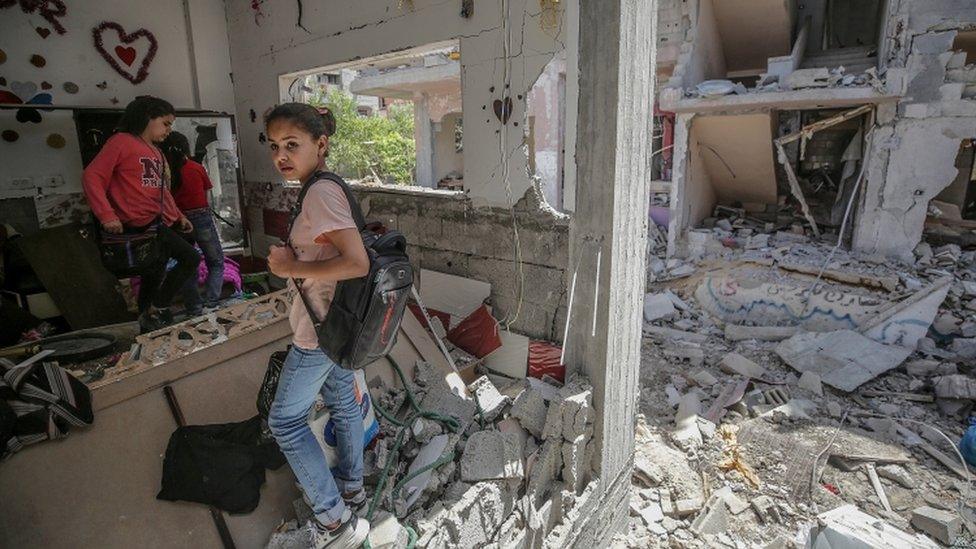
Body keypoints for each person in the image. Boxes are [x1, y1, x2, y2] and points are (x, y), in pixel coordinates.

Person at [264, 103, 371, 548]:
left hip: (319, 331)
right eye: (274, 147)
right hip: (339, 325)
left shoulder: (319, 193)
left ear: (320, 145)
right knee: (343, 404)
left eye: (293, 144)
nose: (281, 156)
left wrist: (290, 265)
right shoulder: (325, 186)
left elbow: (357, 263)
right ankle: (353, 491)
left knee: (285, 422)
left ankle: (333, 520)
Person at [82, 96, 198, 333]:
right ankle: (159, 307)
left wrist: (177, 216)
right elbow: (92, 176)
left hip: (156, 224)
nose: (169, 130)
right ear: (148, 117)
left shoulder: (156, 152)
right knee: (190, 258)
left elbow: (162, 191)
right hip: (134, 225)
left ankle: (147, 322)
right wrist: (106, 215)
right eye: (165, 123)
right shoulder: (121, 142)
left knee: (153, 273)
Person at [162, 131, 225, 317]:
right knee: (216, 262)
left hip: (178, 222)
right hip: (201, 217)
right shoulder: (196, 167)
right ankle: (211, 304)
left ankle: (194, 308)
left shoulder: (165, 174)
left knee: (188, 264)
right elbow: (206, 196)